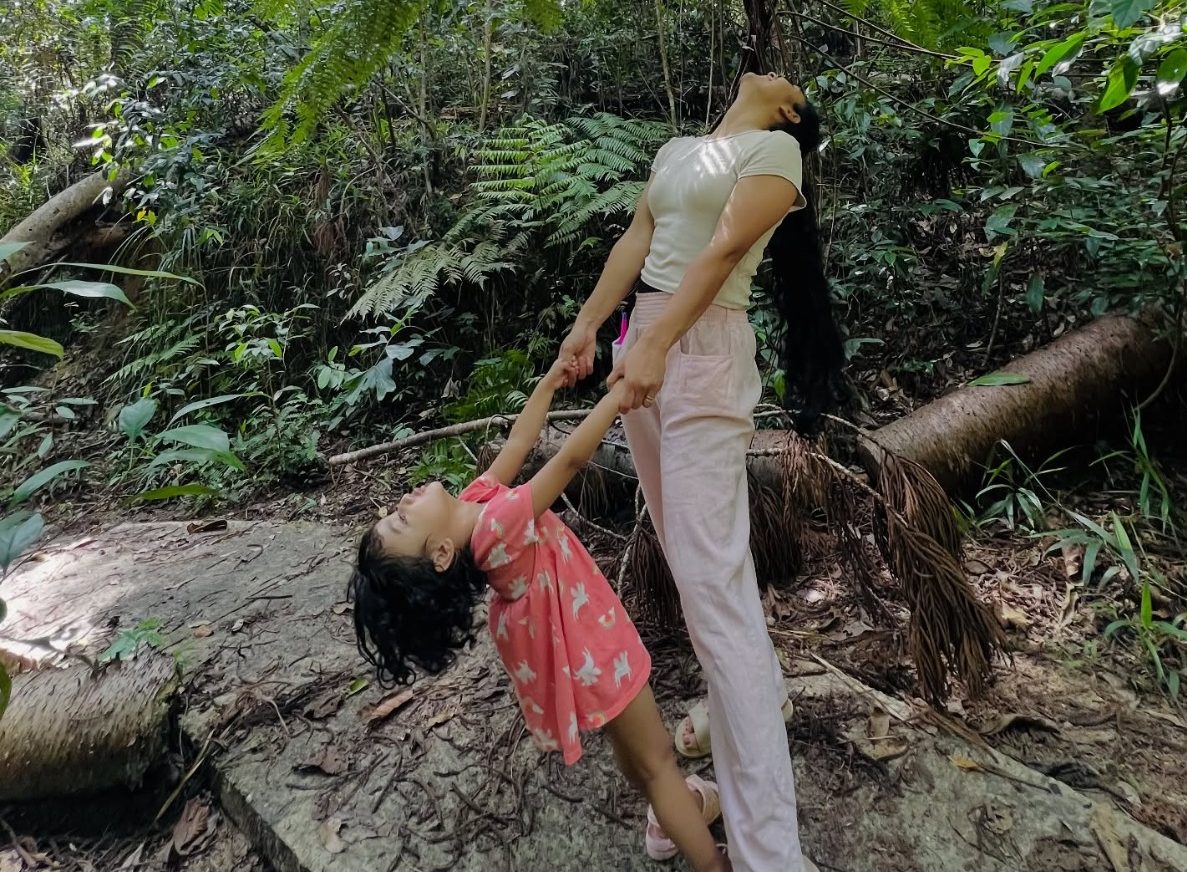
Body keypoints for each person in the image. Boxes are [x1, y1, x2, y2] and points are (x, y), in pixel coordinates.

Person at [559, 72, 845, 871]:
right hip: (644, 346)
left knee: (713, 593)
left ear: (786, 111)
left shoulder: (776, 152)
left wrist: (656, 344)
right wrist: (589, 326)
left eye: (789, 83)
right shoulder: (678, 149)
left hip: (702, 349)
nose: (776, 71)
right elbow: (636, 240)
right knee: (699, 575)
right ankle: (748, 718)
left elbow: (721, 250)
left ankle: (770, 854)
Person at [348, 360, 731, 871]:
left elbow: (519, 442)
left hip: (585, 654)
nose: (403, 501)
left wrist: (548, 382)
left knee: (637, 752)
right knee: (659, 760)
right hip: (597, 650)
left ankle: (668, 818)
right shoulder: (497, 526)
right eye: (401, 520)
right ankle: (712, 862)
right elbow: (569, 461)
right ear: (440, 554)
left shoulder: (477, 506)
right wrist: (616, 399)